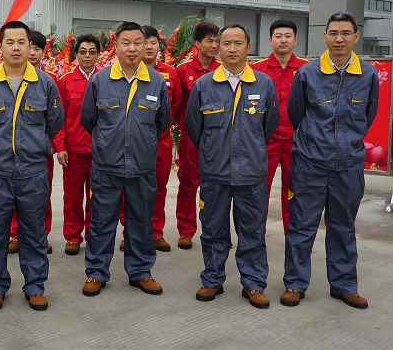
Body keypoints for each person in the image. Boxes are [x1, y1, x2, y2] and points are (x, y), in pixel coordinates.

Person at [281, 12, 378, 310]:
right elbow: (296, 113)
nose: (339, 39)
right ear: (324, 36)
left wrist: (346, 145)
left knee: (343, 227)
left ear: (356, 37)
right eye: (333, 33)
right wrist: (313, 142)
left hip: (348, 166)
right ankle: (295, 284)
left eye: (346, 33)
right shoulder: (307, 73)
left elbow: (368, 115)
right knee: (301, 226)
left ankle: (344, 285)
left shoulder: (368, 74)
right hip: (310, 164)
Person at [0, 20, 63, 312]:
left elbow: (54, 123)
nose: (16, 48)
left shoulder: (45, 83)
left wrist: (35, 146)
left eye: (21, 42)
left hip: (33, 173)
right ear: (0, 46)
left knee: (34, 232)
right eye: (9, 42)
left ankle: (35, 286)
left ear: (29, 46)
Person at [185, 24, 279, 309]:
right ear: (218, 48)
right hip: (215, 172)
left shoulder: (263, 84)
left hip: (251, 173)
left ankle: (253, 283)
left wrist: (249, 149)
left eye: (238, 43)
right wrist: (213, 152)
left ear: (248, 47)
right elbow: (194, 127)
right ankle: (213, 279)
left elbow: (268, 127)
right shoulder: (204, 85)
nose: (231, 48)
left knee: (252, 230)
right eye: (226, 43)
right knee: (213, 229)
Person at [80, 22, 170, 298]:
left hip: (142, 167)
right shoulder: (100, 80)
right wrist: (107, 144)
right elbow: (88, 119)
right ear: (115, 46)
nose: (132, 48)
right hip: (106, 167)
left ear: (146, 46)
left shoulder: (156, 81)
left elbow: (162, 122)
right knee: (101, 222)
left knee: (141, 222)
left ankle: (141, 271)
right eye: (126, 43)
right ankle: (96, 273)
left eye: (137, 43)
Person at [119, 25, 182, 252]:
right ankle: (129, 233)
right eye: (143, 42)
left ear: (159, 46)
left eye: (153, 42)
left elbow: (174, 107)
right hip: (130, 142)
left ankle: (155, 232)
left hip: (160, 141)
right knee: (129, 189)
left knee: (158, 188)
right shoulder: (122, 74)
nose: (148, 47)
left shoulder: (170, 74)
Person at [251, 20, 308, 231]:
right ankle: (256, 235)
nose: (283, 40)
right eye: (278, 36)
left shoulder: (307, 69)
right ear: (270, 40)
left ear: (296, 40)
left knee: (294, 190)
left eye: (288, 36)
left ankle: (293, 235)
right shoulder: (256, 70)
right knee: (258, 189)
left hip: (296, 141)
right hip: (265, 141)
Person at [174, 21, 220, 250]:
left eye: (217, 41)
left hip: (217, 139)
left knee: (216, 186)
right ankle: (185, 230)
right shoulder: (182, 71)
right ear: (197, 44)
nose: (214, 46)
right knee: (188, 184)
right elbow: (176, 107)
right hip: (191, 139)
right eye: (209, 41)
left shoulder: (222, 70)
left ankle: (215, 229)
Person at [8, 30, 54, 254]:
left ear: (43, 52)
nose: (32, 52)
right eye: (30, 47)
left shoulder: (49, 80)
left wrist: (48, 142)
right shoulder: (4, 78)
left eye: (37, 48)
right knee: (11, 194)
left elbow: (56, 118)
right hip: (10, 151)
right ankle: (15, 234)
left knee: (41, 194)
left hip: (39, 151)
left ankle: (41, 235)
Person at [54, 34, 100, 255]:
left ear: (98, 55)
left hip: (100, 151)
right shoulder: (65, 82)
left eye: (92, 52)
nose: (87, 56)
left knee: (96, 196)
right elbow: (58, 118)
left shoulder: (105, 80)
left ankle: (93, 234)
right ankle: (72, 236)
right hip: (73, 151)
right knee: (72, 196)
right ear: (76, 55)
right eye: (83, 52)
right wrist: (60, 146)